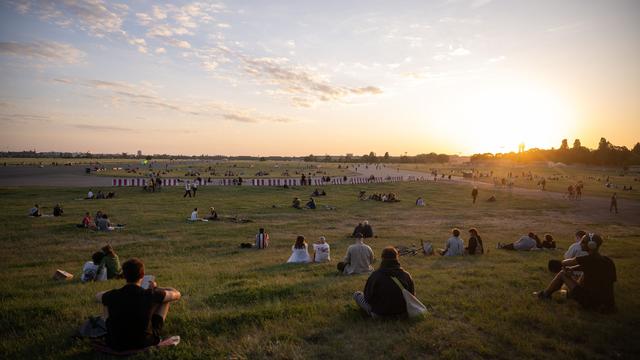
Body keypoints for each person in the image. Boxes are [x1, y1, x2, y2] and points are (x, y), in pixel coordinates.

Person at [96, 258, 181, 351]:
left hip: (115, 343)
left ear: (124, 275)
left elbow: (98, 295)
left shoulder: (114, 294)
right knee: (165, 300)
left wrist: (117, 291)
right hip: (145, 342)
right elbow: (176, 294)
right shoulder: (151, 294)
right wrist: (157, 288)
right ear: (143, 275)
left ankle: (110, 331)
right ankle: (154, 331)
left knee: (106, 302)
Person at [535, 233, 616, 313]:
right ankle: (571, 295)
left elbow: (564, 262)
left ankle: (545, 294)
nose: (580, 243)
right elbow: (589, 268)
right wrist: (572, 269)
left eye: (583, 242)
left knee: (562, 273)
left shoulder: (586, 259)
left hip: (590, 302)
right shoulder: (607, 260)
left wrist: (565, 266)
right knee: (584, 274)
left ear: (591, 245)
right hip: (608, 304)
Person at [353, 247, 415, 317]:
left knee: (357, 294)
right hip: (402, 313)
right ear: (397, 257)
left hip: (379, 313)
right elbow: (412, 295)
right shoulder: (406, 275)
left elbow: (368, 297)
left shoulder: (375, 275)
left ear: (382, 258)